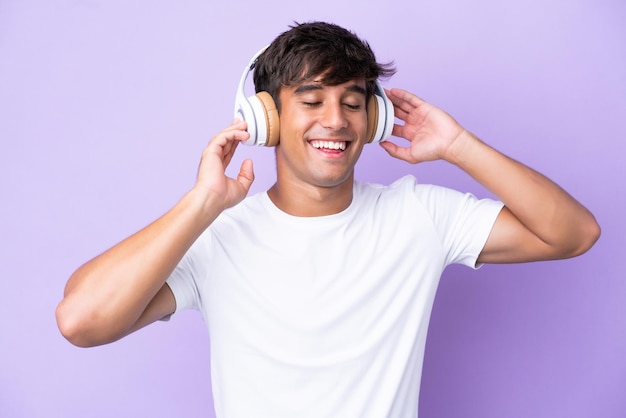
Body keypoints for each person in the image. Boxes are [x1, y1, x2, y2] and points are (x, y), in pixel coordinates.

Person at [56, 21, 600, 418]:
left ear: (373, 118)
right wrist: (200, 204)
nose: (335, 120)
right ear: (265, 118)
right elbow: (82, 320)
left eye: (353, 102)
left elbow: (576, 233)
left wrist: (459, 146)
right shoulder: (215, 235)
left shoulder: (420, 215)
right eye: (311, 100)